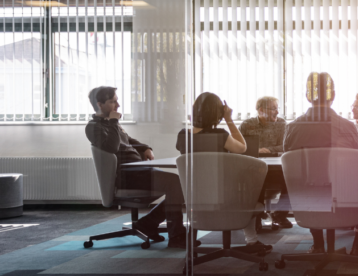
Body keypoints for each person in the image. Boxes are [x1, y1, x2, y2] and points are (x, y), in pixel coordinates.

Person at [283, 72, 358, 258]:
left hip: (308, 195)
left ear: (307, 96)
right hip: (344, 194)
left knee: (309, 186)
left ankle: (318, 244)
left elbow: (290, 162)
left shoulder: (293, 128)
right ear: (333, 96)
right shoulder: (348, 126)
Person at [85, 86, 197, 248]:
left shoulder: (110, 124)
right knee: (176, 184)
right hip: (127, 176)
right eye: (112, 102)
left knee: (179, 184)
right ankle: (174, 235)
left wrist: (145, 147)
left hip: (138, 171)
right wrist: (114, 121)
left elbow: (129, 140)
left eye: (117, 101)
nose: (118, 105)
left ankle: (148, 224)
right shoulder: (94, 127)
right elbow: (113, 147)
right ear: (100, 104)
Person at [176, 92, 272, 252]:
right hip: (224, 197)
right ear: (218, 114)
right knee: (249, 195)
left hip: (197, 198)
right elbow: (243, 147)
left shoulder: (182, 136)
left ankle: (192, 245)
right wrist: (229, 119)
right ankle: (252, 241)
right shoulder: (220, 135)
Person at [239, 96, 292, 229]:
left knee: (292, 180)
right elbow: (238, 146)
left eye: (277, 108)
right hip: (253, 168)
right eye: (273, 108)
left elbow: (285, 146)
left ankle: (279, 214)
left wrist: (268, 149)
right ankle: (256, 217)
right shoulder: (246, 125)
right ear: (261, 110)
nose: (277, 112)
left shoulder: (281, 124)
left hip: (275, 169)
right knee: (255, 180)